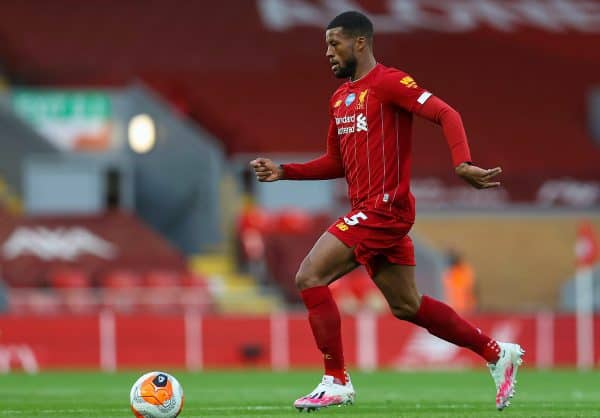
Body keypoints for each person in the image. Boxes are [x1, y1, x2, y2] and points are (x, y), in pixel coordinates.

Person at [250, 11, 523, 412]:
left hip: (385, 209)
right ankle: (497, 353)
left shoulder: (390, 82)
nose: (328, 52)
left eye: (334, 43)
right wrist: (284, 171)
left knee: (309, 276)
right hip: (368, 210)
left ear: (360, 42)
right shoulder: (340, 98)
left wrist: (462, 163)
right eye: (326, 44)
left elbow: (447, 113)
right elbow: (336, 163)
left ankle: (336, 380)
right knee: (407, 305)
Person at [443, 249, 477, 314]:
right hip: (453, 308)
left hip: (466, 309)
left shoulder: (465, 271)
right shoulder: (449, 272)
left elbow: (471, 290)